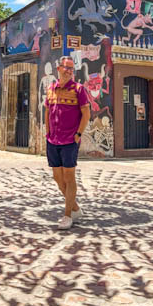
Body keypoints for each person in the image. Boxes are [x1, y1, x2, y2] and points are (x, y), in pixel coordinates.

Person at [45, 56, 90, 230]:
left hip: (70, 139)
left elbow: (86, 114)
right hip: (53, 139)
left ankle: (67, 215)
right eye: (67, 67)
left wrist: (78, 134)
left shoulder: (79, 89)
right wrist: (47, 131)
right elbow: (47, 110)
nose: (69, 71)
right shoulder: (51, 88)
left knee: (69, 177)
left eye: (72, 69)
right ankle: (76, 208)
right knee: (57, 177)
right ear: (59, 68)